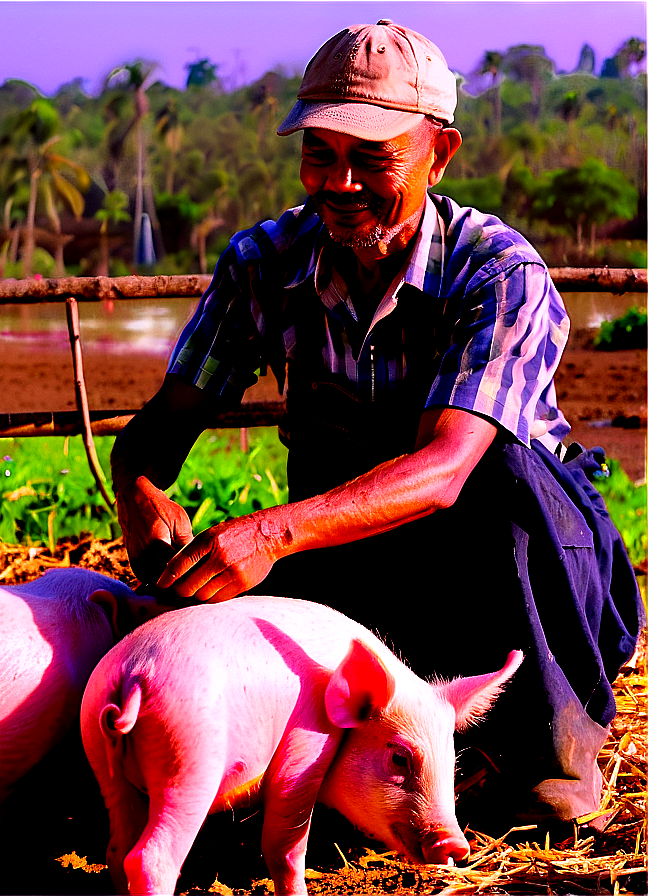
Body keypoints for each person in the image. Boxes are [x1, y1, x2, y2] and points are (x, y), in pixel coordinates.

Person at [110, 20, 644, 834]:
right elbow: (159, 432)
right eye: (320, 154)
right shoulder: (266, 264)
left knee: (502, 470)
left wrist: (271, 535)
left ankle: (552, 767)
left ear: (440, 153)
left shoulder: (497, 272)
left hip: (515, 567)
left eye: (373, 158)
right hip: (349, 554)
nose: (341, 183)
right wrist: (140, 491)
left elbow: (444, 470)